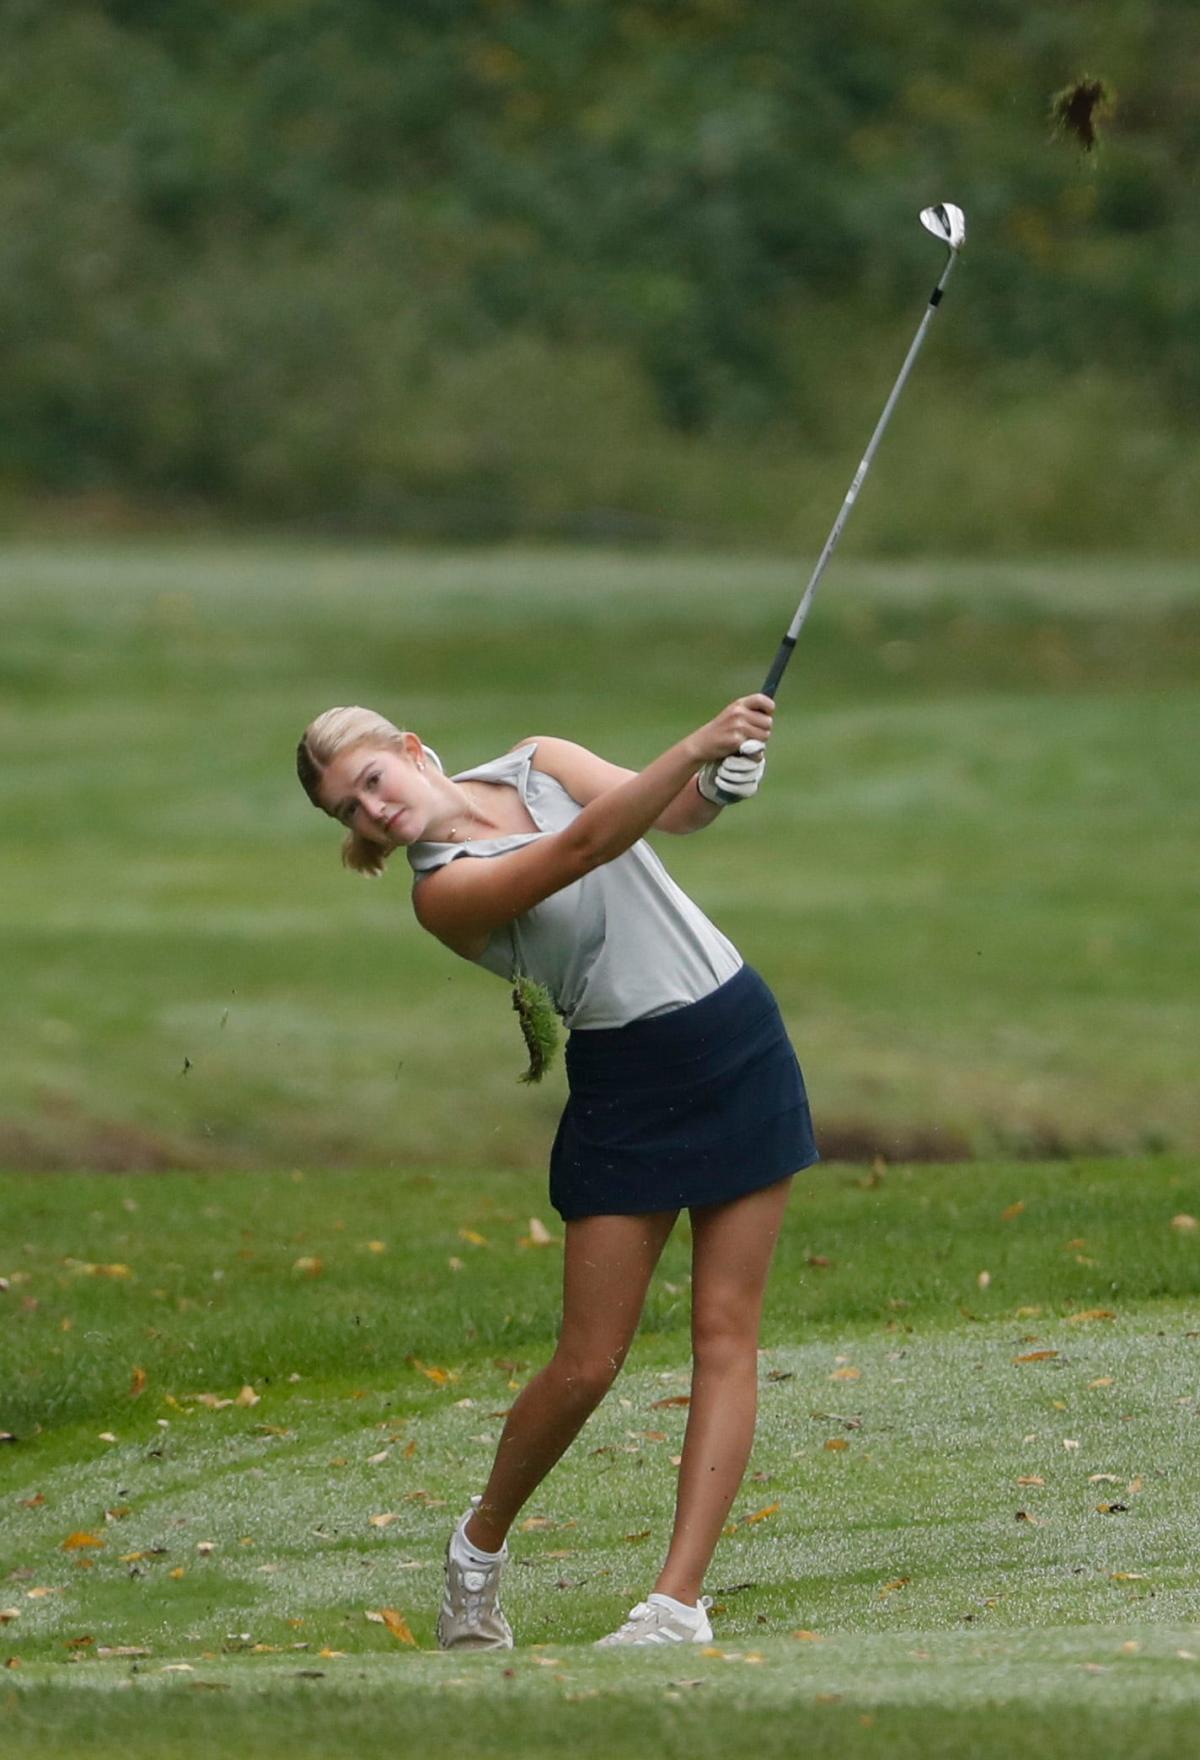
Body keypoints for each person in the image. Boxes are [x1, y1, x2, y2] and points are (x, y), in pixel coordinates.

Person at [295, 694, 819, 1648]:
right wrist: (693, 742)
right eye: (348, 810)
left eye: (371, 779)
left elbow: (674, 814)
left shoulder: (541, 759)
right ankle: (477, 1550)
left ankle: (676, 1605)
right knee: (587, 1364)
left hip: (738, 1035)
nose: (370, 810)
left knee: (725, 1334)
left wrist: (719, 780)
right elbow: (582, 852)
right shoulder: (444, 892)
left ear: (410, 751)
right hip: (631, 1080)